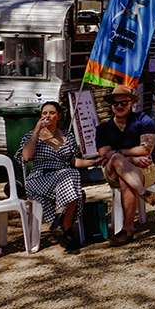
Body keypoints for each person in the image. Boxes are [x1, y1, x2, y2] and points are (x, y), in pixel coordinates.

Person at [20, 101, 102, 251]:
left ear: (58, 116)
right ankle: (64, 229)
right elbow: (26, 157)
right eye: (44, 113)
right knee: (72, 180)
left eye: (51, 113)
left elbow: (73, 161)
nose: (47, 116)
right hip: (40, 178)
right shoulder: (32, 136)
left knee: (71, 176)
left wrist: (94, 161)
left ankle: (61, 227)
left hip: (64, 178)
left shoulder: (68, 136)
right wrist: (36, 130)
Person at [96, 85, 155, 246]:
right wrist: (132, 159)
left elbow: (146, 148)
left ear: (131, 103)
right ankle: (143, 192)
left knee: (125, 178)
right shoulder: (103, 128)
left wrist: (120, 153)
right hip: (113, 170)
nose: (119, 106)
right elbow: (106, 155)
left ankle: (127, 230)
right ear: (111, 106)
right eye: (115, 104)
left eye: (123, 103)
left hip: (144, 169)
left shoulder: (144, 120)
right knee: (116, 159)